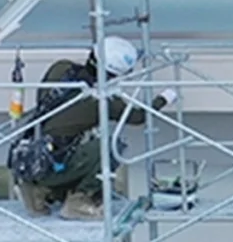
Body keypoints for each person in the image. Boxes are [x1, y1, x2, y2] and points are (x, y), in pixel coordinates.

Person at [9, 36, 175, 218]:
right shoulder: (100, 102)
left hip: (33, 158)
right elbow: (138, 116)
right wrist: (165, 97)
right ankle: (79, 202)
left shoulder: (60, 69)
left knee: (81, 146)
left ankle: (38, 191)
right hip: (54, 165)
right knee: (110, 148)